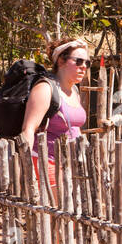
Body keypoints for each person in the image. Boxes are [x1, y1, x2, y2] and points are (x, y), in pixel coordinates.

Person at [18, 37, 90, 191]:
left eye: (87, 63)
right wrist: (26, 168)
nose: (84, 67)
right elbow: (28, 128)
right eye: (78, 61)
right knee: (56, 212)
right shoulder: (45, 88)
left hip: (72, 164)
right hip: (48, 163)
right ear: (61, 61)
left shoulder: (74, 91)